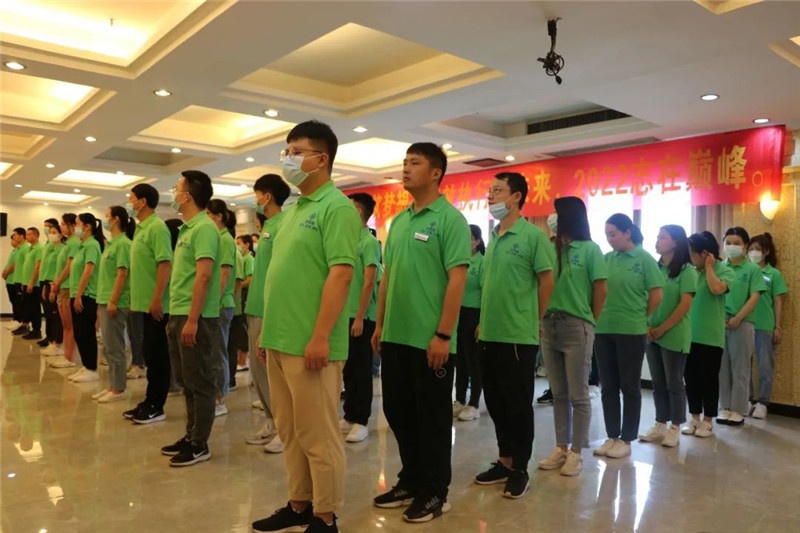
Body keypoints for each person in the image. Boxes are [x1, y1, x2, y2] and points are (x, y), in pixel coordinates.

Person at [252, 120, 360, 533]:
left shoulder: (337, 208)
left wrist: (320, 336)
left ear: (321, 158)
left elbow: (341, 275)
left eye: (297, 152)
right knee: (291, 431)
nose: (289, 159)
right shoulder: (294, 210)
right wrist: (268, 333)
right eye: (287, 151)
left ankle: (325, 516)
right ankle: (298, 504)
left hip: (312, 344)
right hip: (280, 339)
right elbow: (283, 278)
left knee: (319, 435)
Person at [371, 142, 470, 522]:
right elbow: (388, 277)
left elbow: (457, 280)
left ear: (436, 173)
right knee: (398, 412)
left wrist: (443, 334)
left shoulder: (450, 220)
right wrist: (380, 324)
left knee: (431, 420)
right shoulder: (399, 222)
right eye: (404, 162)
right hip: (395, 336)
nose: (406, 168)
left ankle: (435, 491)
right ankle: (411, 479)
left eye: (415, 163)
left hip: (430, 340)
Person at [474, 172, 554, 499]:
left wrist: (533, 318)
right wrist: (482, 321)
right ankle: (505, 460)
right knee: (495, 402)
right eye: (490, 190)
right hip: (489, 333)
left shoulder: (533, 236)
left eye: (498, 190)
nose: (490, 196)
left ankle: (520, 468)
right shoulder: (494, 236)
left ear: (516, 196)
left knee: (517, 405)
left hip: (518, 336)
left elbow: (546, 282)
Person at [537, 197, 607, 477]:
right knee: (558, 393)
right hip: (548, 324)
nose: (551, 217)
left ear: (568, 216)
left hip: (576, 326)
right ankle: (561, 447)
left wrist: (589, 320)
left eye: (555, 212)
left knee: (578, 394)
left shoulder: (590, 249)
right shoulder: (548, 248)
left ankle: (576, 452)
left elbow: (600, 289)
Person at [159, 170, 222, 467]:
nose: (174, 192)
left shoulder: (205, 228)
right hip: (180, 312)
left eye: (177, 188)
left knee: (200, 382)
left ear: (188, 195)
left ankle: (200, 444)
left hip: (196, 316)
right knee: (187, 380)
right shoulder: (187, 229)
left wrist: (193, 320)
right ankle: (190, 434)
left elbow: (204, 276)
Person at [593, 214, 663, 459]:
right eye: (606, 234)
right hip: (603, 329)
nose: (609, 239)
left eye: (613, 234)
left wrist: (641, 316)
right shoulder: (606, 259)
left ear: (627, 233)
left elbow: (656, 295)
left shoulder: (644, 259)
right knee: (608, 386)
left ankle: (626, 438)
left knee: (629, 386)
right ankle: (612, 436)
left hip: (631, 331)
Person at [243, 173, 291, 454]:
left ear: (267, 196)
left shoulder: (283, 224)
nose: (256, 200)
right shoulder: (268, 226)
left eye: (257, 194)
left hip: (269, 308)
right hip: (255, 305)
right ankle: (272, 421)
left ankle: (284, 430)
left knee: (272, 373)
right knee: (258, 370)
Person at [639, 225, 697, 448]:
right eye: (657, 236)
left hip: (673, 334)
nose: (657, 240)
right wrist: (647, 325)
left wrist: (662, 328)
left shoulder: (686, 270)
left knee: (674, 382)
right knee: (658, 382)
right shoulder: (655, 268)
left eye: (662, 237)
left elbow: (685, 304)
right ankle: (660, 423)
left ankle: (675, 427)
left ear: (675, 242)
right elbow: (645, 298)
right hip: (651, 333)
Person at [123, 184, 175, 425]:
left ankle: (157, 405)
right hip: (143, 305)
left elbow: (165, 264)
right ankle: (149, 400)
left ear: (142, 202)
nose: (129, 202)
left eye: (131, 198)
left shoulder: (157, 228)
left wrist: (156, 298)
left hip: (157, 306)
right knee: (149, 355)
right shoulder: (141, 229)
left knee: (158, 357)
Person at [683, 232, 735, 438]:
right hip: (689, 334)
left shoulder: (725, 270)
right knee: (691, 379)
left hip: (711, 337)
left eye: (692, 254)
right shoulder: (690, 271)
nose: (689, 258)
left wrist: (710, 268)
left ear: (704, 254)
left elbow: (716, 289)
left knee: (709, 380)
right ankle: (694, 418)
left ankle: (708, 421)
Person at [340, 192, 381, 444]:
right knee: (349, 368)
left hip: (362, 316)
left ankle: (362, 420)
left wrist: (359, 317)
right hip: (345, 314)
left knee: (361, 368)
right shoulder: (348, 241)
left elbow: (368, 282)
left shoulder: (369, 242)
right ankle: (349, 414)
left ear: (358, 212)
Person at [717, 227, 764, 426]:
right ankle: (724, 408)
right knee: (722, 368)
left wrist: (738, 318)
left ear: (745, 245)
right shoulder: (720, 267)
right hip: (720, 322)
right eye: (728, 243)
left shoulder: (752, 269)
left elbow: (754, 297)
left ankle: (738, 409)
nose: (732, 246)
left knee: (741, 368)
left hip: (743, 323)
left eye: (736, 243)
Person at [93, 206, 134, 403]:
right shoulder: (111, 244)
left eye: (107, 216)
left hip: (115, 302)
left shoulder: (123, 244)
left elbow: (122, 274)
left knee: (115, 347)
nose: (105, 220)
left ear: (116, 219)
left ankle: (119, 388)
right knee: (108, 347)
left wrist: (113, 300)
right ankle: (112, 385)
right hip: (104, 300)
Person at [746, 233, 788, 419]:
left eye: (758, 249)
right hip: (745, 324)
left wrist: (777, 327)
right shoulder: (746, 271)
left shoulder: (773, 274)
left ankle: (763, 403)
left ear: (767, 252)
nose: (754, 252)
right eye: (751, 249)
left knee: (765, 366)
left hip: (765, 326)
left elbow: (778, 301)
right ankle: (746, 399)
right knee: (744, 365)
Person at [206, 199, 236, 416]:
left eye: (208, 214)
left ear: (218, 217)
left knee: (218, 353)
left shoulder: (225, 240)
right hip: (213, 305)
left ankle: (220, 398)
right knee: (212, 353)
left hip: (221, 304)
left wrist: (214, 301)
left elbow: (225, 274)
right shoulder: (216, 238)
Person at [67, 213, 105, 383]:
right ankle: (85, 366)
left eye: (77, 224)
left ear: (87, 226)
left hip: (86, 295)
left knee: (86, 333)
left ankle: (91, 368)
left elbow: (88, 271)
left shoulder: (92, 245)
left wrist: (79, 295)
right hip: (77, 294)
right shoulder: (82, 245)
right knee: (79, 333)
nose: (75, 227)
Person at [453, 224, 485, 422]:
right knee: (460, 361)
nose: (467, 242)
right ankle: (459, 399)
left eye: (470, 238)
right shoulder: (460, 260)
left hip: (475, 314)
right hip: (459, 314)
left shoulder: (482, 262)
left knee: (473, 362)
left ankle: (474, 404)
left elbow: (486, 293)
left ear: (478, 242)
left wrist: (482, 322)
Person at [48, 215, 81, 369]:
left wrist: (58, 282)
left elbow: (69, 266)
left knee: (69, 325)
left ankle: (69, 357)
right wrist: (56, 283)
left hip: (67, 287)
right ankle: (66, 354)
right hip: (62, 287)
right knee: (65, 325)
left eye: (63, 224)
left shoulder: (74, 242)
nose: (60, 227)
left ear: (72, 225)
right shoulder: (67, 242)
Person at [40, 222, 65, 356]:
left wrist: (54, 287)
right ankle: (51, 340)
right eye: (50, 232)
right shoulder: (51, 249)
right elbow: (46, 269)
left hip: (55, 284)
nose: (51, 235)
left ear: (60, 235)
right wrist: (45, 286)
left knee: (56, 316)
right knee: (49, 314)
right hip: (47, 283)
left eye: (54, 232)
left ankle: (57, 342)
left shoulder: (62, 249)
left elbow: (59, 270)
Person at [36, 219, 59, 347]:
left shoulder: (58, 247)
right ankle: (49, 336)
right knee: (48, 312)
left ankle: (55, 339)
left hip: (52, 282)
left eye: (51, 229)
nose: (48, 231)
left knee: (54, 314)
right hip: (44, 280)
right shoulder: (47, 244)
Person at [19, 227, 44, 340]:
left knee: (34, 308)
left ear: (36, 235)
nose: (27, 236)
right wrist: (24, 282)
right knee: (28, 307)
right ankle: (30, 328)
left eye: (29, 234)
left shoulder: (39, 248)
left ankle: (36, 330)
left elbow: (37, 267)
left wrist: (31, 282)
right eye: (26, 234)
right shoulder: (29, 249)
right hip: (26, 282)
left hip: (34, 284)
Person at [9, 228, 31, 336]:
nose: (13, 237)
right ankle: (21, 324)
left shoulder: (26, 248)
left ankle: (25, 325)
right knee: (19, 303)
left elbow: (27, 265)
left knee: (24, 305)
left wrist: (24, 280)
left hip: (22, 280)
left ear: (21, 236)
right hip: (17, 280)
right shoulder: (19, 248)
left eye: (15, 235)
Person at [2, 229, 24, 331]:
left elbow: (15, 264)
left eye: (14, 237)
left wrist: (7, 272)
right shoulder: (15, 250)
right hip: (10, 280)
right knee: (14, 302)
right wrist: (4, 271)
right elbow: (9, 263)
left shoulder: (22, 249)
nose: (12, 241)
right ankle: (15, 319)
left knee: (18, 302)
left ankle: (19, 320)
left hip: (15, 279)